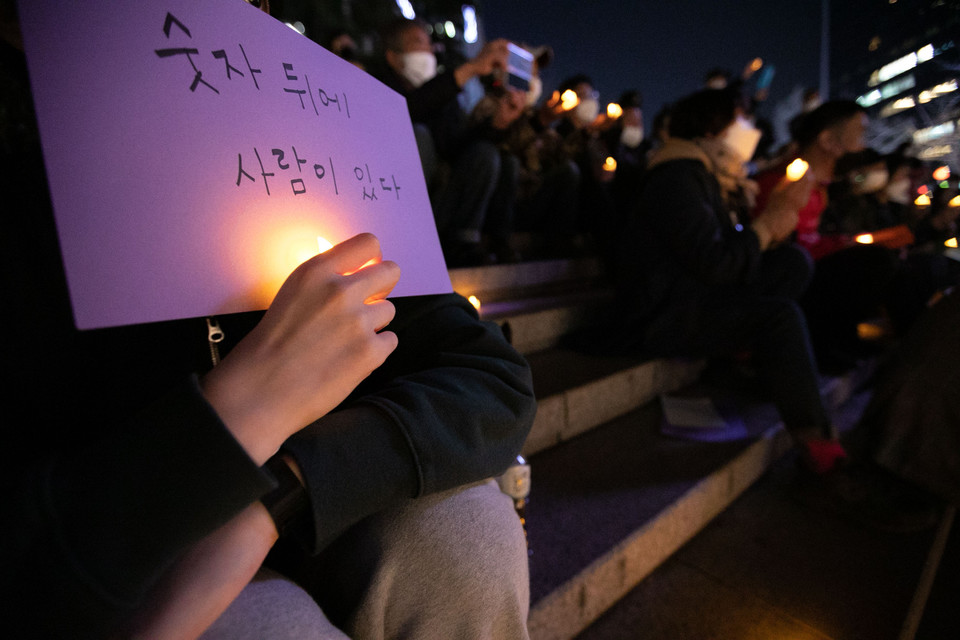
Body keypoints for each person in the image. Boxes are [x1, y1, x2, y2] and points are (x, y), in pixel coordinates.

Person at [1, 6, 536, 638]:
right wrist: (238, 412)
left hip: (293, 512)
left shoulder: (303, 166)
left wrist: (284, 491)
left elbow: (493, 377)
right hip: (111, 554)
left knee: (466, 532)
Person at [612, 88, 849, 474]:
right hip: (663, 313)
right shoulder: (676, 177)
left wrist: (775, 223)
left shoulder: (716, 178)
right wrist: (767, 223)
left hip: (697, 293)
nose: (750, 129)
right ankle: (822, 452)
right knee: (780, 316)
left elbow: (728, 257)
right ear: (712, 128)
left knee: (792, 262)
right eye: (741, 121)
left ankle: (746, 358)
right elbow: (715, 262)